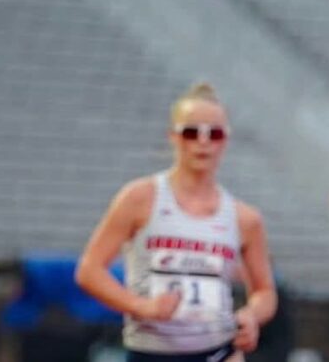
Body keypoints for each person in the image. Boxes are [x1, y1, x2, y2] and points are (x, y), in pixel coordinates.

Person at [76, 83, 276, 361]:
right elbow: (89, 270)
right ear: (173, 136)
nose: (203, 142)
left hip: (218, 350)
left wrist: (251, 316)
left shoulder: (245, 218)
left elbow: (265, 291)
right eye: (192, 132)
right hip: (152, 351)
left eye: (214, 134)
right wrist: (141, 306)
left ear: (225, 140)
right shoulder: (140, 198)